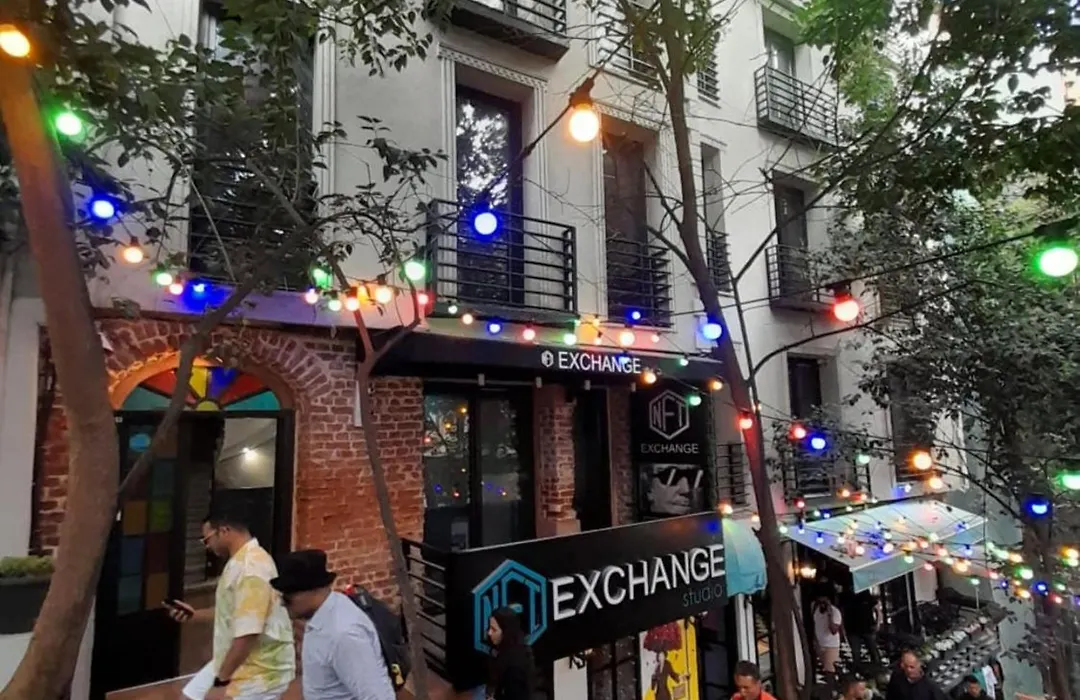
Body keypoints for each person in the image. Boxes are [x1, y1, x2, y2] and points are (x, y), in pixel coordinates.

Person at [166, 508, 295, 700]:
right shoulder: (240, 561)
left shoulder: (251, 569)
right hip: (237, 660)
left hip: (259, 670)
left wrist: (221, 682)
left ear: (224, 531)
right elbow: (236, 613)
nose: (207, 546)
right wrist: (194, 615)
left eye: (207, 539)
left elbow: (248, 633)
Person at [270, 549, 395, 700]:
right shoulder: (320, 615)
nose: (282, 603)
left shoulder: (344, 634)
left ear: (314, 590)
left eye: (288, 596)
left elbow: (377, 696)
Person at [485, 606, 536, 700]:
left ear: (506, 632)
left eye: (494, 629)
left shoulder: (514, 668)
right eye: (489, 628)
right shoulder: (512, 649)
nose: (489, 633)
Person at [841, 589, 882, 670]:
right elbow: (842, 613)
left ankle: (878, 669)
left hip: (867, 628)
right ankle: (859, 670)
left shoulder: (865, 593)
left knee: (873, 650)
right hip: (852, 629)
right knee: (856, 653)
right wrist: (843, 629)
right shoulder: (846, 595)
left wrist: (878, 623)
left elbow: (877, 609)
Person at [812, 595, 843, 676]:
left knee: (830, 671)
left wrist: (830, 616)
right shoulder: (817, 610)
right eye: (820, 602)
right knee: (823, 670)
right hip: (820, 645)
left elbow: (833, 631)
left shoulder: (835, 612)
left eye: (824, 603)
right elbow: (815, 626)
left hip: (831, 646)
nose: (822, 605)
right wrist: (815, 642)